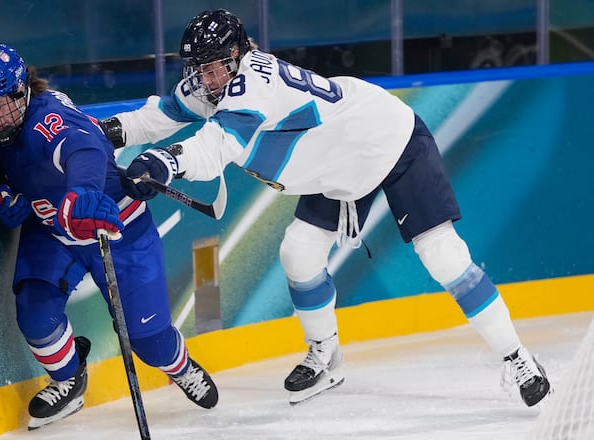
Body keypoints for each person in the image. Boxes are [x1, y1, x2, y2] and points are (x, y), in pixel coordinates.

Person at [100, 9, 552, 407]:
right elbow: (163, 114)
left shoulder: (253, 86)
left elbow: (216, 146)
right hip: (339, 167)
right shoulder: (212, 83)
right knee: (298, 254)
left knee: (443, 255)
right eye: (199, 69)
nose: (206, 79)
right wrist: (105, 132)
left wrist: (167, 162)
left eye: (214, 66)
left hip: (388, 140)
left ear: (236, 55)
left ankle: (518, 358)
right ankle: (326, 355)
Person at [0, 44, 218, 430]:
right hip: (54, 231)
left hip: (115, 228)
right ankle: (69, 380)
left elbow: (87, 146)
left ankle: (180, 366)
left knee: (148, 342)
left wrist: (82, 192)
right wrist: (13, 196)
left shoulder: (46, 116)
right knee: (35, 316)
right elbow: (28, 172)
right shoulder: (2, 128)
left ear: (21, 91)